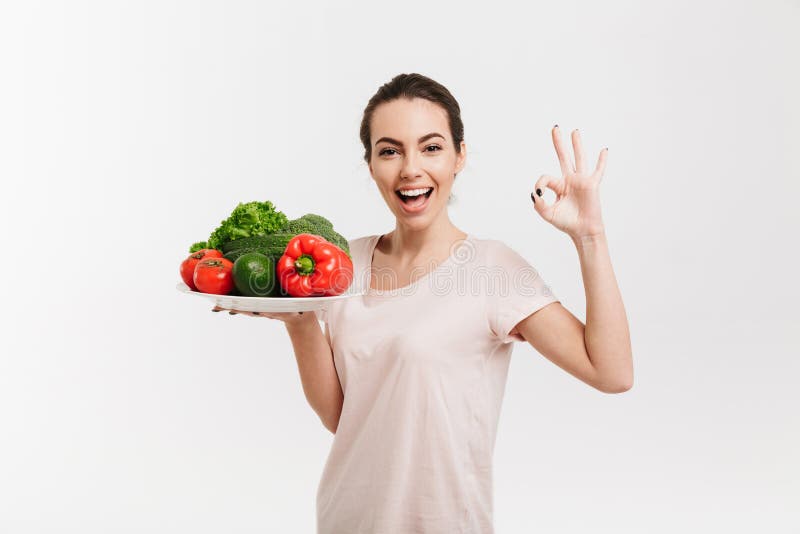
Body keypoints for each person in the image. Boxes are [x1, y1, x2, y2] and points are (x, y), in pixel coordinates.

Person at [214, 73, 633, 533]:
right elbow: (343, 417)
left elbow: (611, 373)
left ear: (460, 156)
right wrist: (298, 324)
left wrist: (590, 236)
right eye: (389, 150)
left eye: (431, 147)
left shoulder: (491, 269)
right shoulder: (341, 263)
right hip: (345, 519)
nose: (410, 168)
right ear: (371, 164)